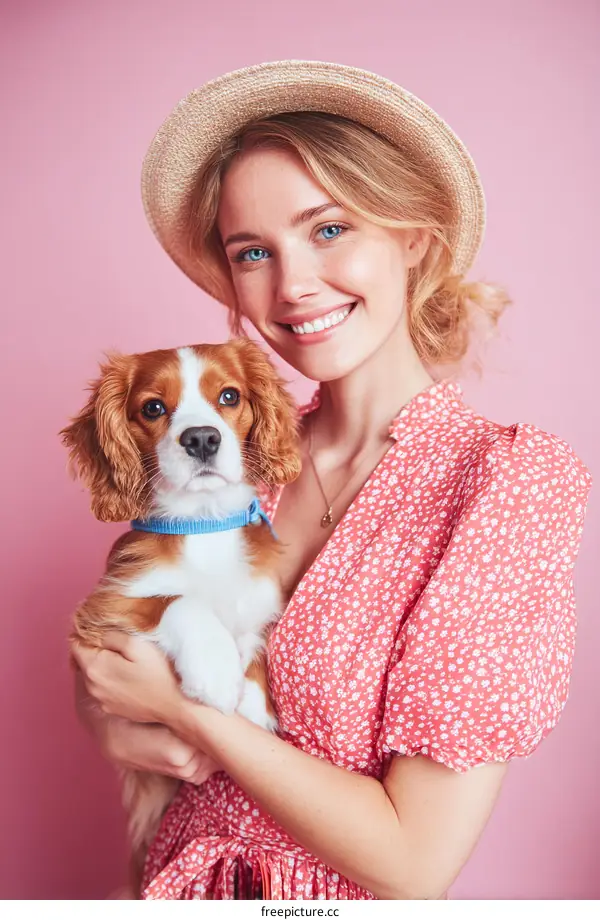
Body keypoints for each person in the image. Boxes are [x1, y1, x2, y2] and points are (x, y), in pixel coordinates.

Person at [71, 61, 592, 900]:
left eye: (328, 229)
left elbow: (413, 865)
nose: (293, 285)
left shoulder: (502, 489)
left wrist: (188, 714)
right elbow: (116, 653)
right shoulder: (231, 451)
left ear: (415, 233)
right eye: (253, 252)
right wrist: (104, 711)